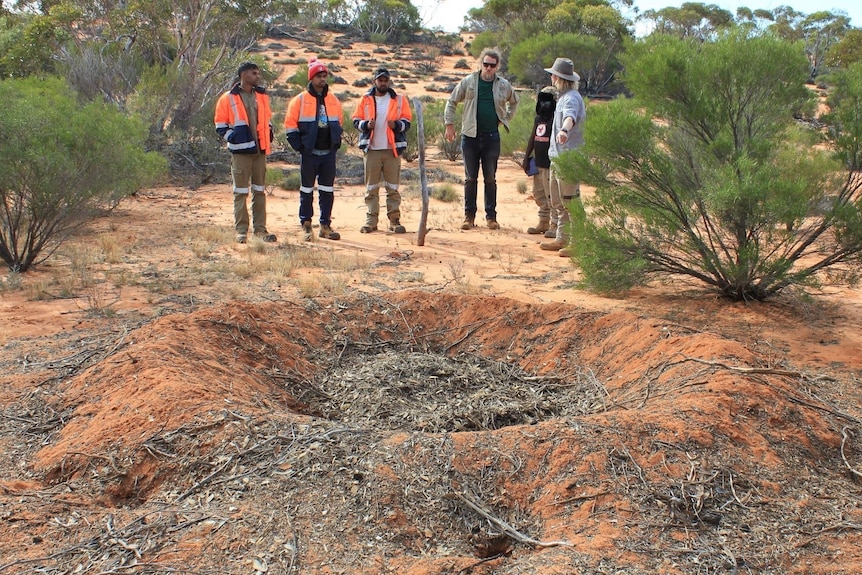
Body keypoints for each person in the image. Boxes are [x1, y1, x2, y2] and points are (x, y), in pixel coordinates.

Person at [444, 48, 519, 230]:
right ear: (481, 64)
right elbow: (452, 101)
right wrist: (449, 124)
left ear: (497, 66)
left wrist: (505, 119)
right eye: (485, 64)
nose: (488, 68)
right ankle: (469, 217)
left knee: (490, 178)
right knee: (470, 178)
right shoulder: (469, 81)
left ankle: (491, 217)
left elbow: (514, 101)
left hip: (491, 137)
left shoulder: (503, 85)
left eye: (492, 65)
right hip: (470, 136)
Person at [214, 62, 277, 244]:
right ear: (243, 75)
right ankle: (241, 231)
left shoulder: (262, 96)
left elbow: (267, 119)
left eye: (258, 73)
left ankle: (260, 230)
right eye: (254, 73)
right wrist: (232, 137)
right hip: (241, 153)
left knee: (259, 191)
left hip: (260, 151)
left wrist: (269, 132)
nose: (258, 76)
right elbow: (220, 124)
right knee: (240, 192)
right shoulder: (228, 98)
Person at [284, 58, 344, 241]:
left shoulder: (333, 100)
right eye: (319, 76)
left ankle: (325, 225)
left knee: (327, 190)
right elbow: (290, 125)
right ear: (311, 78)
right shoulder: (300, 100)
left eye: (325, 76)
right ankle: (306, 224)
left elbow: (339, 122)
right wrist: (300, 147)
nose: (322, 79)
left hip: (328, 153)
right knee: (307, 190)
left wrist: (336, 142)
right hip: (309, 153)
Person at [351, 67, 413, 234]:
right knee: (371, 188)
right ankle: (371, 221)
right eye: (380, 80)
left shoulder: (399, 99)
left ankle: (394, 220)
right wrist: (365, 125)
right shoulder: (365, 99)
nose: (383, 83)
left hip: (392, 149)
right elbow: (356, 120)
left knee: (392, 187)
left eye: (386, 80)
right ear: (375, 81)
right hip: (371, 150)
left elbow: (407, 121)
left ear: (389, 81)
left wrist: (397, 125)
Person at [541, 57, 586, 257]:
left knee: (571, 201)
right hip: (557, 157)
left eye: (553, 75)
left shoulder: (571, 98)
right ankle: (562, 237)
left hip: (569, 158)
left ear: (559, 78)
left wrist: (564, 131)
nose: (551, 77)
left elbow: (570, 117)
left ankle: (578, 241)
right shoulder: (563, 96)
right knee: (558, 202)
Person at [521, 86, 557, 236]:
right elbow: (532, 138)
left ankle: (555, 225)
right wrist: (526, 157)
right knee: (539, 193)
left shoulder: (556, 118)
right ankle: (543, 222)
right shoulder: (538, 119)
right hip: (538, 162)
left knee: (552, 195)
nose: (544, 103)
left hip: (550, 163)